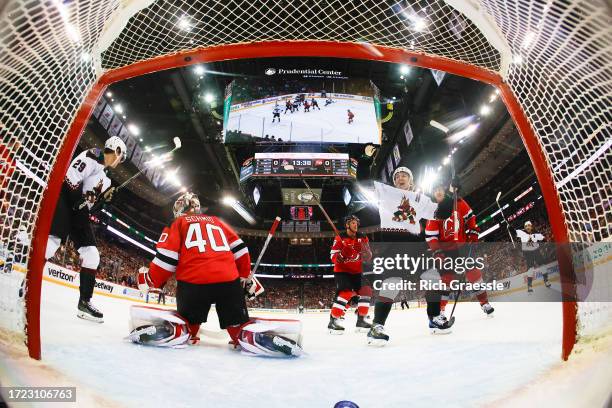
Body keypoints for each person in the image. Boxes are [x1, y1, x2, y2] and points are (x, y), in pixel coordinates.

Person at [135, 192, 303, 356]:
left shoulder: (178, 223)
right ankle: (247, 336)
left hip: (194, 282)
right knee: (237, 324)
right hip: (228, 282)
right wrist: (244, 276)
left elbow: (167, 259)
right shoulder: (216, 221)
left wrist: (152, 279)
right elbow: (241, 249)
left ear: (180, 209)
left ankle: (183, 331)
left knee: (189, 321)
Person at [44, 136, 126, 322]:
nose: (120, 161)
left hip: (78, 213)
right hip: (65, 202)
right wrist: (79, 201)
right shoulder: (92, 155)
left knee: (92, 256)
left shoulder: (106, 180)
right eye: (121, 157)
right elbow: (70, 180)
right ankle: (28, 285)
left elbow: (91, 207)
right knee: (51, 245)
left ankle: (84, 303)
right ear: (117, 151)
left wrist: (104, 199)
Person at [367, 166, 437, 345]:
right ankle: (377, 326)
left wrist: (452, 193)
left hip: (417, 246)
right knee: (392, 284)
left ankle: (435, 318)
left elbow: (440, 211)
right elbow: (362, 183)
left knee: (433, 278)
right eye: (397, 175)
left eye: (404, 175)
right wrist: (365, 161)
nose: (400, 177)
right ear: (393, 181)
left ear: (411, 181)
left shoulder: (421, 199)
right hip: (393, 245)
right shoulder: (387, 193)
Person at [425, 179, 494, 333]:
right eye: (434, 190)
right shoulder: (432, 211)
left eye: (440, 188)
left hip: (462, 247)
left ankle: (484, 303)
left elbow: (471, 218)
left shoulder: (459, 202)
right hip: (445, 251)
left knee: (474, 274)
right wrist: (437, 252)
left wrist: (473, 231)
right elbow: (431, 236)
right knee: (446, 280)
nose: (438, 192)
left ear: (444, 190)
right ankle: (440, 311)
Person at [328, 215, 373, 334]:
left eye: (357, 223)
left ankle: (361, 320)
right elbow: (333, 258)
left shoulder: (363, 237)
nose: (356, 225)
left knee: (366, 291)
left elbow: (368, 256)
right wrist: (343, 254)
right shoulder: (339, 238)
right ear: (347, 225)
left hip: (357, 272)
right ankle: (333, 322)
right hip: (342, 272)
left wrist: (364, 253)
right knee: (346, 293)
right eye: (353, 223)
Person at [516, 221, 550, 292]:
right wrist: (509, 226)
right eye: (526, 226)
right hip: (528, 254)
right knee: (530, 270)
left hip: (536, 252)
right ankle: (529, 286)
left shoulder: (536, 234)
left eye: (529, 225)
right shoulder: (522, 233)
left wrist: (545, 239)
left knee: (543, 266)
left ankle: (546, 281)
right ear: (525, 227)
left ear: (531, 226)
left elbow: (543, 238)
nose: (528, 227)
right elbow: (514, 230)